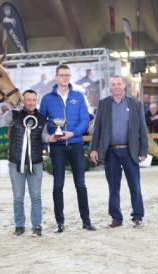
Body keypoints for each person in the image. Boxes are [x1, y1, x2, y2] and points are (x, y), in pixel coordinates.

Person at [0, 89, 55, 237]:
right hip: (16, 162)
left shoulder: (42, 119)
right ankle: (19, 226)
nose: (31, 102)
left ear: (36, 101)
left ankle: (37, 226)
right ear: (23, 101)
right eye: (28, 100)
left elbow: (44, 137)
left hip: (35, 163)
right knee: (18, 197)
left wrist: (51, 138)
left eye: (33, 100)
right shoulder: (13, 114)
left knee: (36, 196)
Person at [40, 64, 96, 233]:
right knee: (58, 185)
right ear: (56, 77)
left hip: (75, 144)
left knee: (81, 184)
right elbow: (42, 121)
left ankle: (86, 221)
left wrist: (73, 133)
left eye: (67, 75)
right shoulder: (47, 99)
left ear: (69, 77)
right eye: (61, 75)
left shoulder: (78, 97)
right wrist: (52, 134)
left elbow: (85, 120)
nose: (64, 78)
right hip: (57, 147)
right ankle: (60, 222)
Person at [90, 75, 148, 228]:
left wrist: (143, 150)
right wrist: (93, 149)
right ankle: (116, 218)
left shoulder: (135, 104)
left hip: (130, 151)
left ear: (124, 86)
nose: (116, 87)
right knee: (113, 187)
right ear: (110, 87)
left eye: (118, 84)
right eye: (113, 84)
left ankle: (137, 216)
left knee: (135, 185)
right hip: (111, 152)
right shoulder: (103, 104)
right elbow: (97, 129)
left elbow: (143, 129)